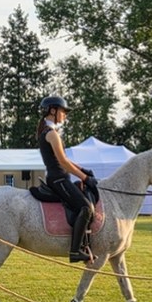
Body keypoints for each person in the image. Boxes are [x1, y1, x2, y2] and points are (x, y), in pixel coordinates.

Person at [37, 95, 97, 263]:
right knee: (86, 208)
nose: (65, 115)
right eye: (63, 111)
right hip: (59, 180)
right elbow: (63, 162)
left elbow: (64, 159)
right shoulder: (51, 134)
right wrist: (85, 178)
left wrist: (83, 170)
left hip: (59, 178)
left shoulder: (49, 132)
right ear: (53, 111)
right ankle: (75, 251)